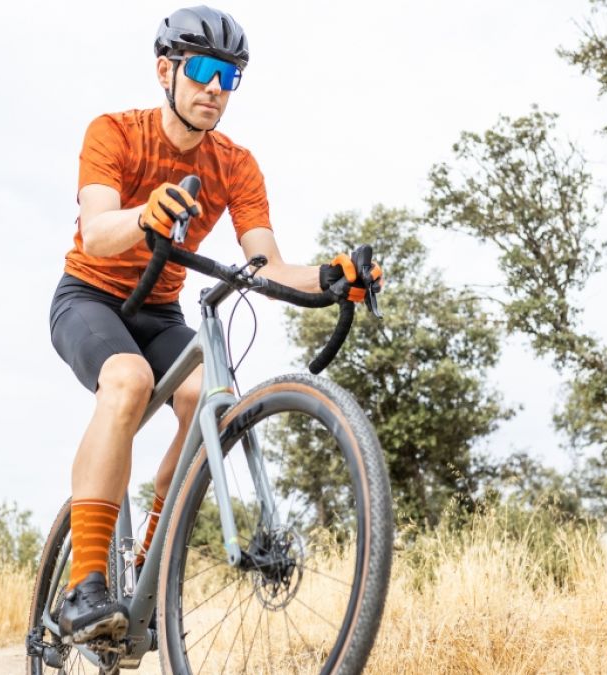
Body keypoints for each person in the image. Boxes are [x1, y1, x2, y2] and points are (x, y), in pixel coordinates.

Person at [48, 5, 382, 644]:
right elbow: (96, 232)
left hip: (160, 309)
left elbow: (272, 265)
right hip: (90, 296)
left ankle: (148, 558)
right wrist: (145, 213)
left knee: (206, 401)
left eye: (229, 77)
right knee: (127, 380)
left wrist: (335, 275)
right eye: (201, 70)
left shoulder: (236, 164)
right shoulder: (113, 132)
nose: (214, 89)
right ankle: (84, 585)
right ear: (165, 70)